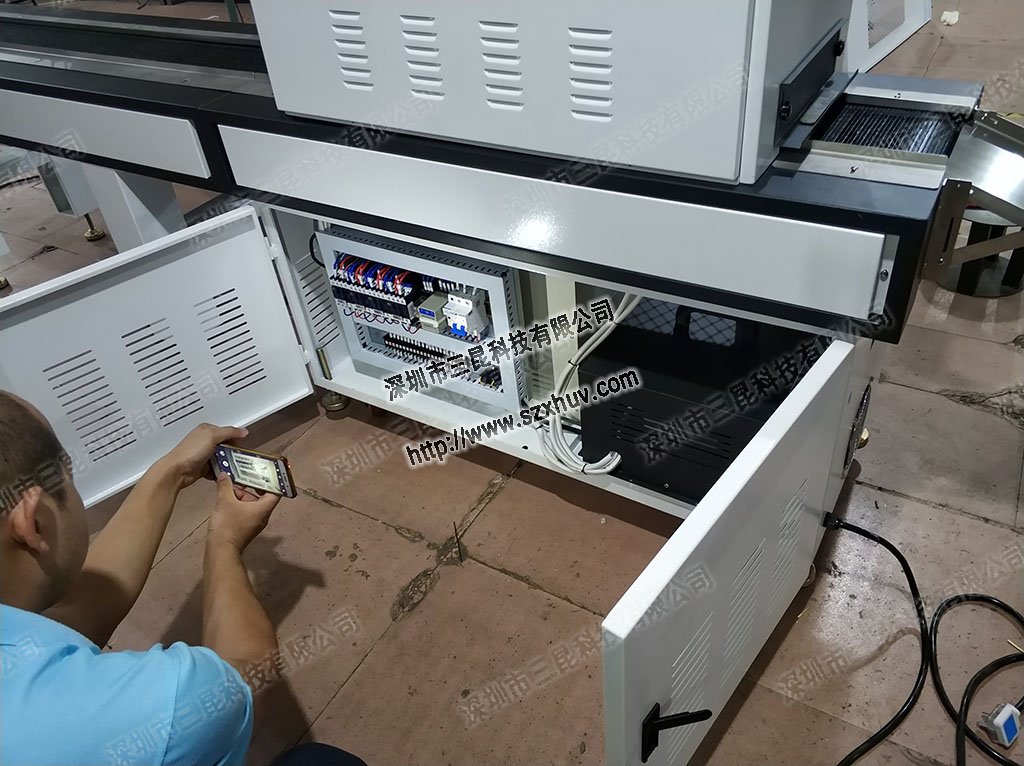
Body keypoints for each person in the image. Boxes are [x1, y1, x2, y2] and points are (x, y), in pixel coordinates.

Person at [0, 391, 366, 766]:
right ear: (34, 523)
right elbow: (246, 678)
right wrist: (224, 543)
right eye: (67, 475)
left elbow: (72, 617)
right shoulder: (143, 711)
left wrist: (172, 471)